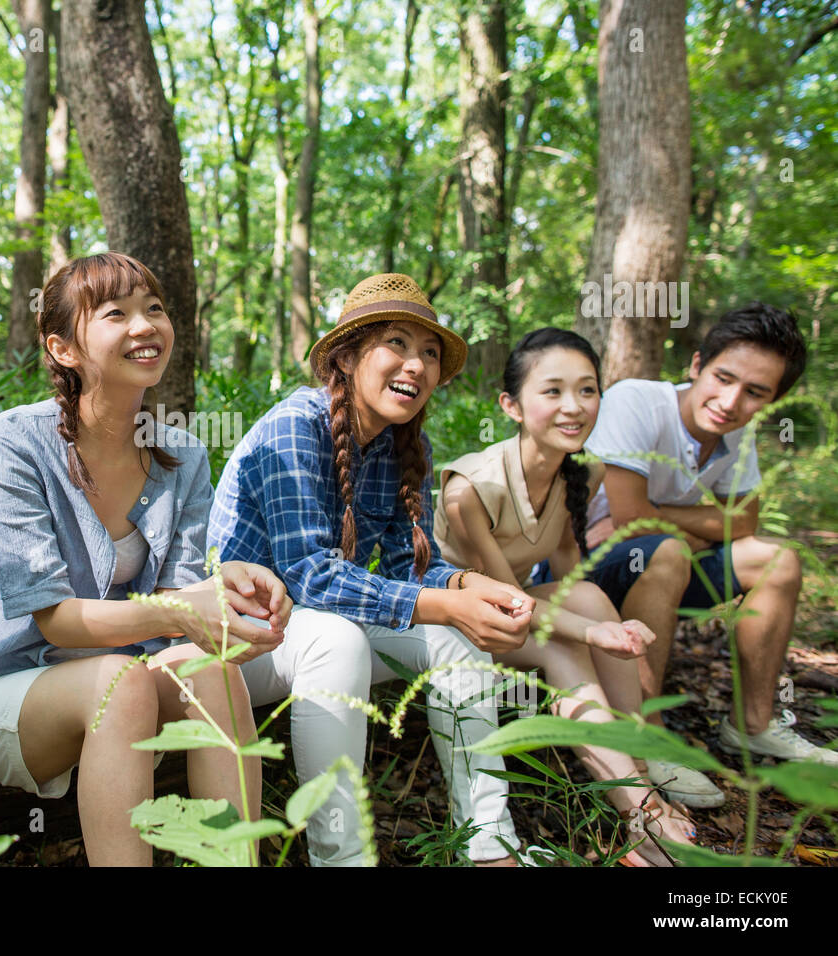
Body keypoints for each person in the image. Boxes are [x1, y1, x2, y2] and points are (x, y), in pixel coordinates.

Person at [0, 253, 292, 867]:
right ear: (63, 348)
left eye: (154, 308)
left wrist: (225, 596)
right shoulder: (14, 442)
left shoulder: (182, 455)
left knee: (216, 674)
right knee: (118, 685)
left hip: (121, 682)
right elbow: (56, 623)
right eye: (116, 313)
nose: (145, 325)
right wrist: (182, 607)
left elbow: (181, 615)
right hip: (1, 685)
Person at [209, 273, 537, 866]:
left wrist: (466, 586)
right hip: (244, 639)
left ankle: (490, 847)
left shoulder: (402, 445)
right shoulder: (295, 426)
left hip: (320, 631)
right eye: (396, 344)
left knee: (454, 640)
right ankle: (344, 858)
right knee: (338, 639)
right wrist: (444, 600)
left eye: (430, 353)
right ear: (348, 356)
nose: (416, 365)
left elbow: (414, 570)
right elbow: (310, 575)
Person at [435, 327, 695, 865]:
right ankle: (638, 812)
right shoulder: (472, 489)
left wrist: (605, 621)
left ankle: (637, 762)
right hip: (455, 620)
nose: (573, 407)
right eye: (552, 391)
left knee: (596, 603)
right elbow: (509, 601)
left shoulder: (585, 470)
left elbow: (572, 574)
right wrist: (595, 632)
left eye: (587, 390)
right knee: (566, 645)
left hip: (516, 607)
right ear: (510, 404)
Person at [583, 302, 835, 811]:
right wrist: (695, 522)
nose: (730, 401)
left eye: (754, 393)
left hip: (661, 563)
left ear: (772, 400)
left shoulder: (736, 431)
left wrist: (665, 515)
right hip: (586, 571)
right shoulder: (638, 400)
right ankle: (646, 734)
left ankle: (753, 726)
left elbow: (744, 522)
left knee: (778, 559)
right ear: (697, 365)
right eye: (723, 377)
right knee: (667, 550)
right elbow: (630, 519)